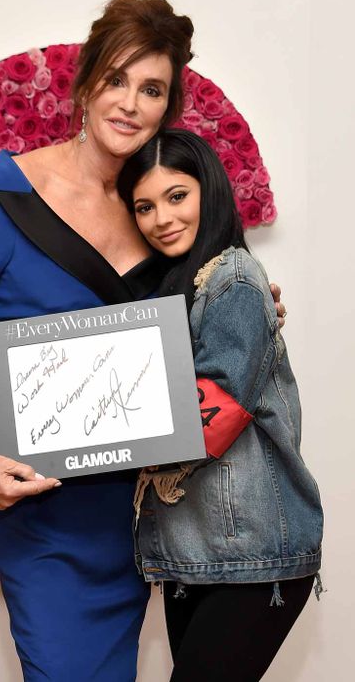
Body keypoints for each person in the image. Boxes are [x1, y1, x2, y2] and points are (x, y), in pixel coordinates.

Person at [0, 0, 286, 682]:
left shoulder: (157, 209)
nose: (130, 103)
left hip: (137, 512)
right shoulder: (9, 191)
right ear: (85, 84)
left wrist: (248, 307)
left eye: (152, 90)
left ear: (166, 108)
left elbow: (181, 332)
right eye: (116, 79)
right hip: (42, 514)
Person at [117, 128, 323, 682]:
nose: (161, 218)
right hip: (195, 554)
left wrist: (104, 440)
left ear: (209, 190)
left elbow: (214, 414)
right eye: (144, 206)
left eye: (177, 196)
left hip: (251, 555)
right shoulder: (167, 291)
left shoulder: (231, 276)